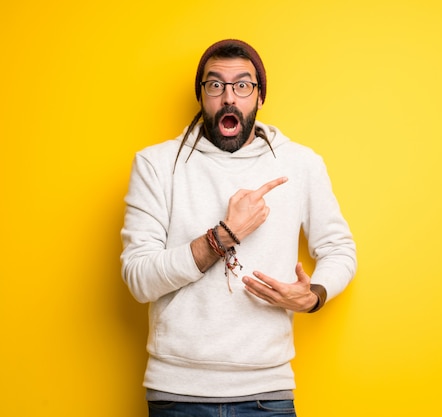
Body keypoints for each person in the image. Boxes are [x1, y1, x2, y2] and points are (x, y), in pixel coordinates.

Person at [120, 39, 357, 417]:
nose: (228, 97)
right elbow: (138, 279)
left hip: (268, 393)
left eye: (242, 85)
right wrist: (222, 237)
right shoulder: (156, 165)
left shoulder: (301, 164)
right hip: (176, 395)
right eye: (215, 85)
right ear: (201, 94)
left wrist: (313, 295)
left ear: (260, 96)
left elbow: (339, 248)